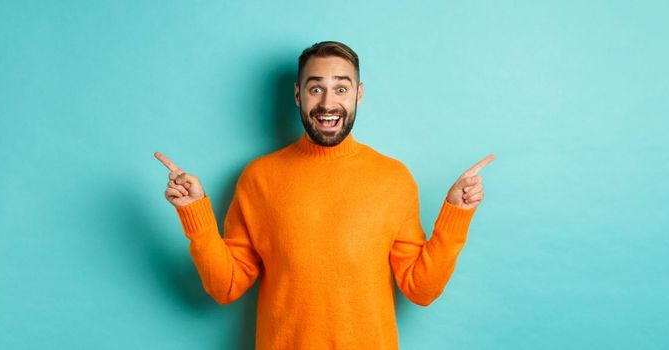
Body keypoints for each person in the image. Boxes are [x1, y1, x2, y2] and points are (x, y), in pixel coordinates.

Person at [154, 41, 494, 349]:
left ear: (358, 94)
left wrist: (455, 214)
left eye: (341, 88)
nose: (328, 103)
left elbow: (421, 289)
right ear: (298, 94)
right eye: (316, 88)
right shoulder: (259, 178)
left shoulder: (393, 178)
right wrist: (194, 213)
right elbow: (225, 287)